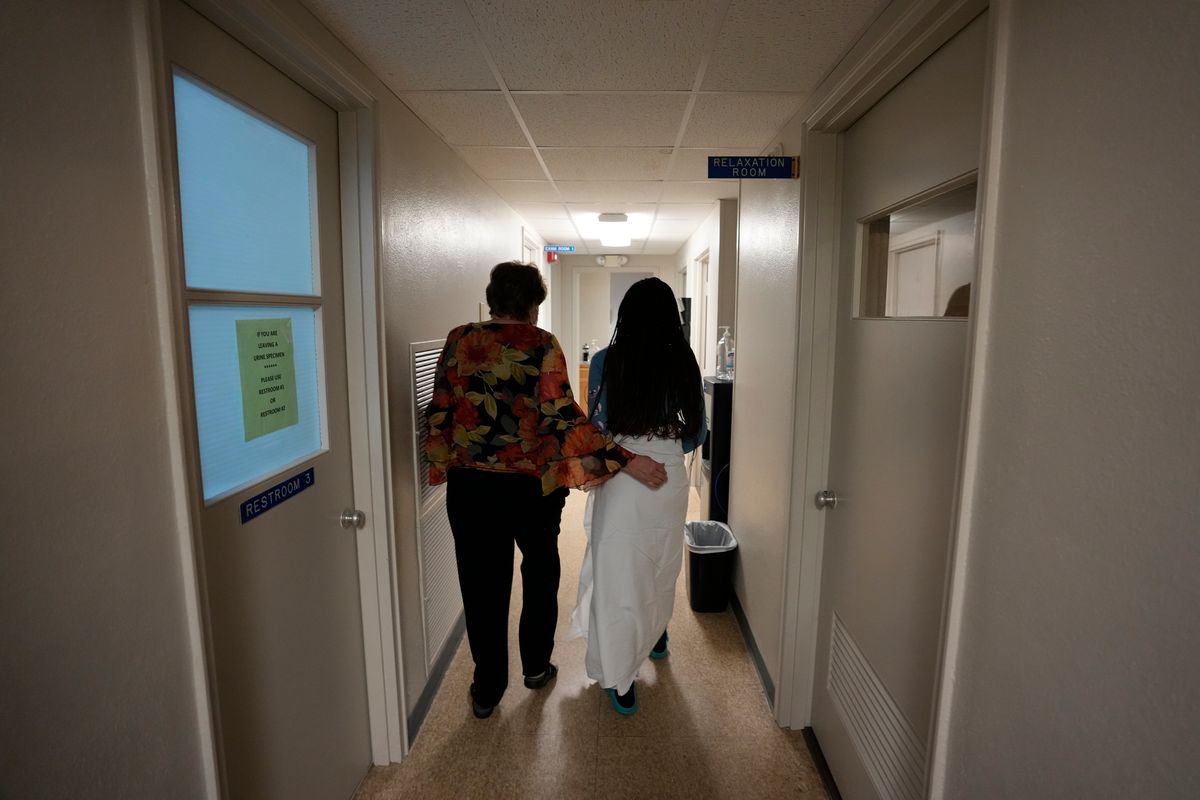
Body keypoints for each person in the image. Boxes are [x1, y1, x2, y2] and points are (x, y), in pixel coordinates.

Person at [424, 261, 668, 719]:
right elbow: (563, 415)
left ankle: (486, 689)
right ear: (534, 305)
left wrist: (442, 468)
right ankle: (536, 667)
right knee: (539, 574)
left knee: (482, 587)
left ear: (492, 297)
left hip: (471, 488)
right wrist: (626, 459)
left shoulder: (459, 339)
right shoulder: (541, 345)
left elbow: (440, 409)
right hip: (531, 490)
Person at [567, 277, 707, 715]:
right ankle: (656, 633)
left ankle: (620, 675)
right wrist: (662, 450)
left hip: (625, 475)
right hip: (667, 479)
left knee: (619, 575)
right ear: (672, 316)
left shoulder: (609, 360)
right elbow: (696, 432)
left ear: (626, 314)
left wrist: (633, 455)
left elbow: (596, 428)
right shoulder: (684, 360)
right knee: (660, 563)